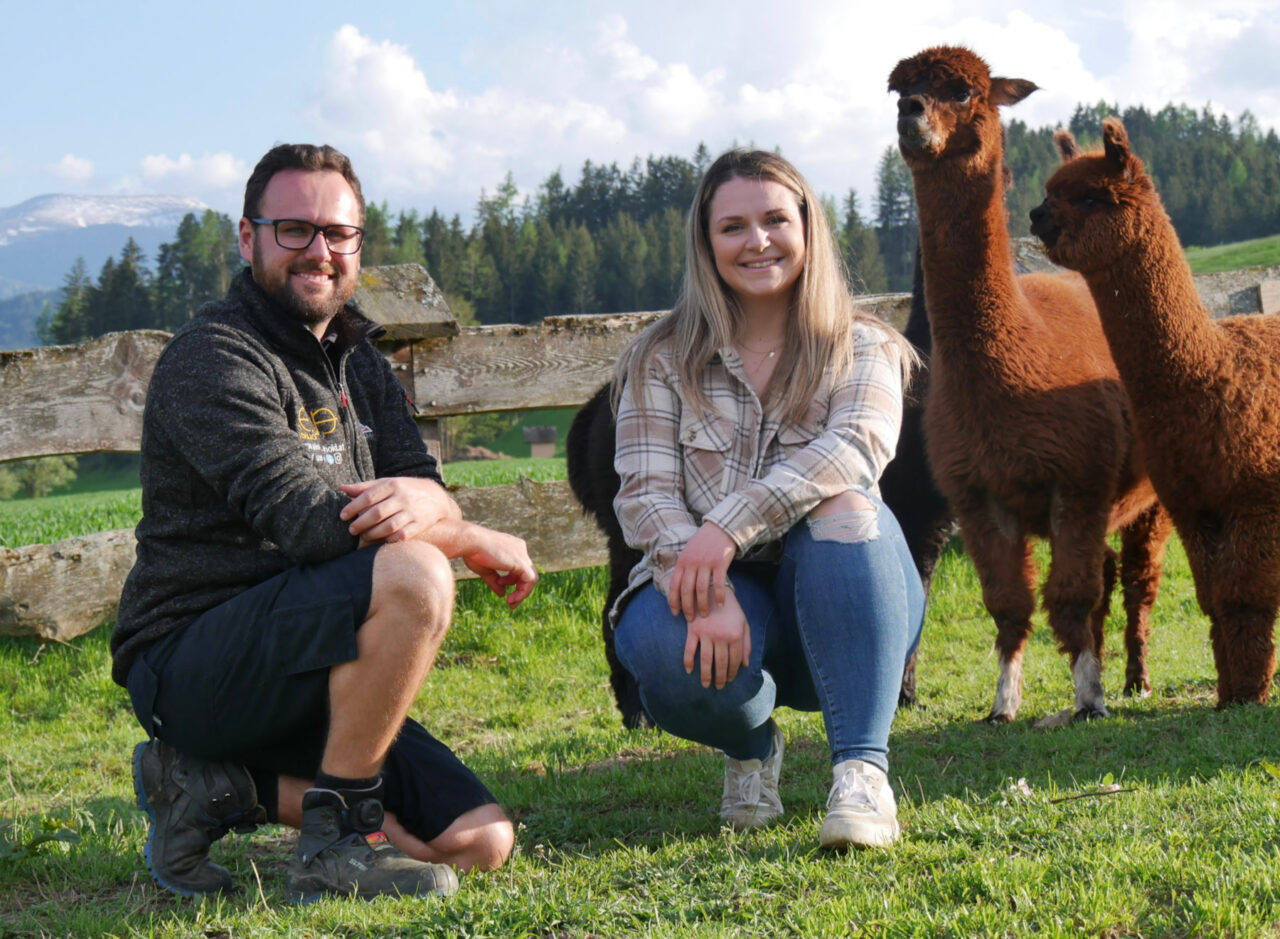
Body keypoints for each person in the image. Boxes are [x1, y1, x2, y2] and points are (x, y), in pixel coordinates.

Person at [110, 143, 538, 902]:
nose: (320, 251)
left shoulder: (356, 358)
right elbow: (312, 526)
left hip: (319, 657)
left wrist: (438, 511)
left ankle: (218, 785)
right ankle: (335, 844)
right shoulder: (213, 358)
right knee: (415, 571)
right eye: (295, 230)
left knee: (479, 841)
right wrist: (470, 539)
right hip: (196, 662)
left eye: (338, 233)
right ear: (249, 239)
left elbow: (429, 491)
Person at [610, 148, 924, 849]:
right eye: (733, 227)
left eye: (776, 219)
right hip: (722, 591)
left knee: (844, 503)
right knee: (664, 650)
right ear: (705, 242)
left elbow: (853, 450)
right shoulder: (659, 357)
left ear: (808, 229)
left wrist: (723, 527)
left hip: (846, 585)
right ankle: (752, 746)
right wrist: (701, 580)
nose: (757, 241)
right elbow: (645, 490)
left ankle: (862, 777)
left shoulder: (865, 346)